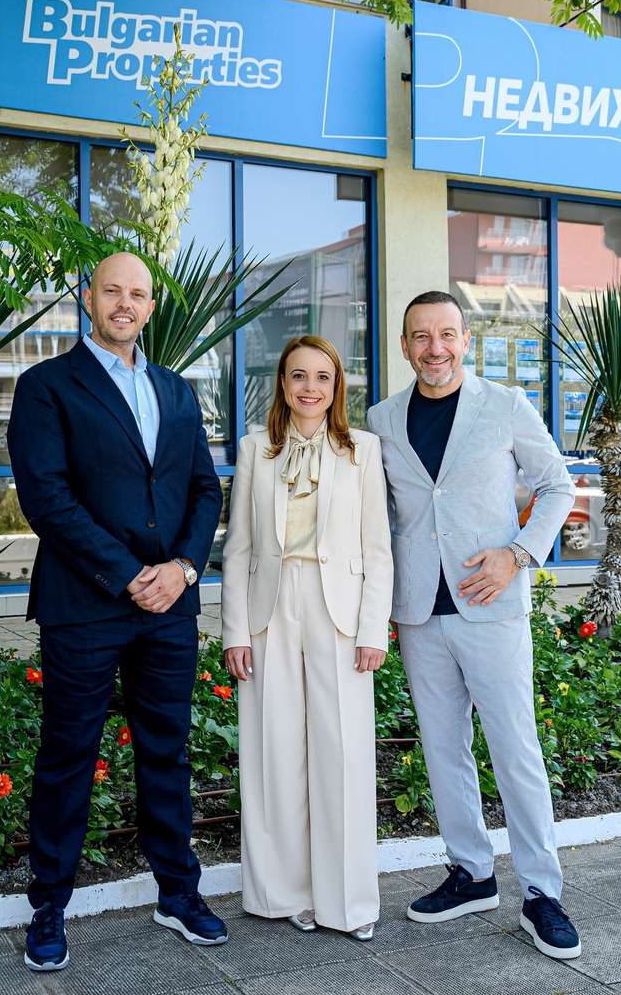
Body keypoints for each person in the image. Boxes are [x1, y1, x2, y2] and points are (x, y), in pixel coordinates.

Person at [7, 252, 227, 972]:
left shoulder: (177, 389)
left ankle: (178, 893)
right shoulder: (46, 386)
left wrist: (184, 568)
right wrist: (130, 575)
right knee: (68, 753)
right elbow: (47, 499)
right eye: (112, 291)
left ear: (151, 307)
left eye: (137, 294)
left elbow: (204, 490)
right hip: (85, 604)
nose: (124, 303)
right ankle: (49, 905)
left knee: (168, 750)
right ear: (87, 296)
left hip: (170, 604)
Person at [365, 291, 581, 960]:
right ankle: (472, 873)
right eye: (421, 336)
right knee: (443, 748)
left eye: (447, 334)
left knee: (515, 750)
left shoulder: (506, 405)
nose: (435, 348)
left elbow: (558, 486)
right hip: (419, 611)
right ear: (405, 345)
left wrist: (518, 554)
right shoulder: (381, 419)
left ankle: (542, 893)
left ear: (466, 340)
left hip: (492, 605)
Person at [221, 335, 393, 941]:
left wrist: (373, 628)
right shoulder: (255, 449)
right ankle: (281, 893)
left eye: (323, 377)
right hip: (269, 609)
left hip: (339, 612)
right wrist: (235, 631)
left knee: (343, 752)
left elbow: (378, 547)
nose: (310, 388)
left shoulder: (362, 450)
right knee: (273, 751)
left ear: (337, 385)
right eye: (299, 376)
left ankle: (348, 903)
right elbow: (237, 548)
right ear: (283, 384)